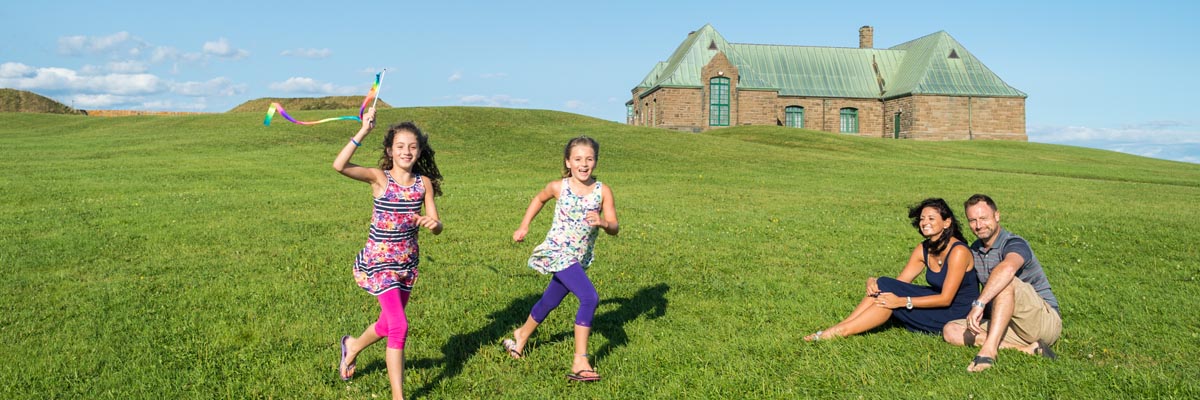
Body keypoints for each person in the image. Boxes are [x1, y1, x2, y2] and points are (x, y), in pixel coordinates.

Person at [332, 107, 444, 399]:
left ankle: (352, 346)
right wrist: (363, 130)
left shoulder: (424, 184)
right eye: (400, 146)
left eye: (412, 146)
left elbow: (436, 224)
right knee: (399, 326)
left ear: (419, 151)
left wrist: (433, 224)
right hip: (380, 262)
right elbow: (340, 165)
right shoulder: (379, 178)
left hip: (406, 263)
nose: (406, 151)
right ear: (390, 150)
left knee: (386, 324)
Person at [501, 136, 619, 382]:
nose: (583, 164)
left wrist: (603, 222)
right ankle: (580, 360)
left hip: (579, 257)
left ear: (595, 161)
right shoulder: (558, 186)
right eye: (577, 159)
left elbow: (615, 226)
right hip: (557, 251)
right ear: (568, 161)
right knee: (590, 297)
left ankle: (521, 336)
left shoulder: (602, 191)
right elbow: (538, 199)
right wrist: (524, 227)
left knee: (550, 300)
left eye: (589, 159)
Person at [804, 198, 978, 341]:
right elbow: (899, 283)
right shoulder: (923, 249)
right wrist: (874, 282)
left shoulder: (958, 252)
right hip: (938, 301)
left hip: (956, 313)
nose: (924, 223)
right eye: (922, 219)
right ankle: (841, 327)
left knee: (890, 302)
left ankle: (839, 332)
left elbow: (945, 299)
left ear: (947, 223)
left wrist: (902, 301)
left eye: (931, 219)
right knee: (885, 285)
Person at [943, 194, 1060, 372]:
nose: (979, 225)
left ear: (997, 216)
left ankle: (989, 351)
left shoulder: (1014, 243)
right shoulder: (975, 250)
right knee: (951, 330)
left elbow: (1007, 269)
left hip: (1043, 321)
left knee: (1005, 281)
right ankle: (1028, 350)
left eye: (983, 218)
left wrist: (980, 304)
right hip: (1010, 325)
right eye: (972, 220)